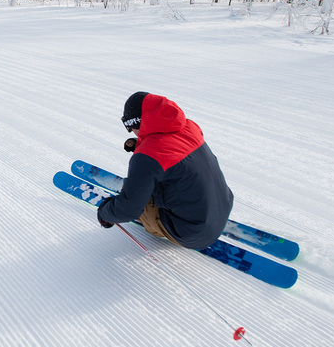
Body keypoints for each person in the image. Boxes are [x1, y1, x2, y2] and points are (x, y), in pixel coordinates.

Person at [97, 92, 234, 250]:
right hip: (223, 207)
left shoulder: (146, 157)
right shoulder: (190, 127)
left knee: (139, 194)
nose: (131, 132)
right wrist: (143, 145)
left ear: (136, 122)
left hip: (190, 234)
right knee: (167, 175)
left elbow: (129, 210)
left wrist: (105, 213)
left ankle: (157, 222)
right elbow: (172, 149)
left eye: (130, 127)